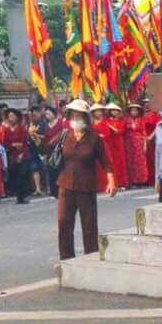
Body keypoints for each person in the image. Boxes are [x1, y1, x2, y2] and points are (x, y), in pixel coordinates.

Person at [54, 100, 113, 260]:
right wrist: (33, 138)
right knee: (63, 222)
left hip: (87, 186)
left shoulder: (94, 138)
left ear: (86, 118)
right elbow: (47, 149)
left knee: (89, 224)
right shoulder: (65, 135)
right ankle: (66, 258)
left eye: (79, 115)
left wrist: (111, 181)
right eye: (73, 115)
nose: (76, 118)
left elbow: (106, 162)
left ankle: (91, 257)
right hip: (65, 185)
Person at [0, 108, 32, 205]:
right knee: (15, 176)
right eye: (9, 116)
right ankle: (19, 196)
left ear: (17, 117)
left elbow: (24, 143)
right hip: (12, 155)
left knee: (23, 175)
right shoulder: (7, 130)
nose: (10, 118)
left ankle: (25, 195)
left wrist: (21, 154)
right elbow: (5, 143)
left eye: (12, 116)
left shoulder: (22, 129)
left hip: (23, 154)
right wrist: (13, 145)